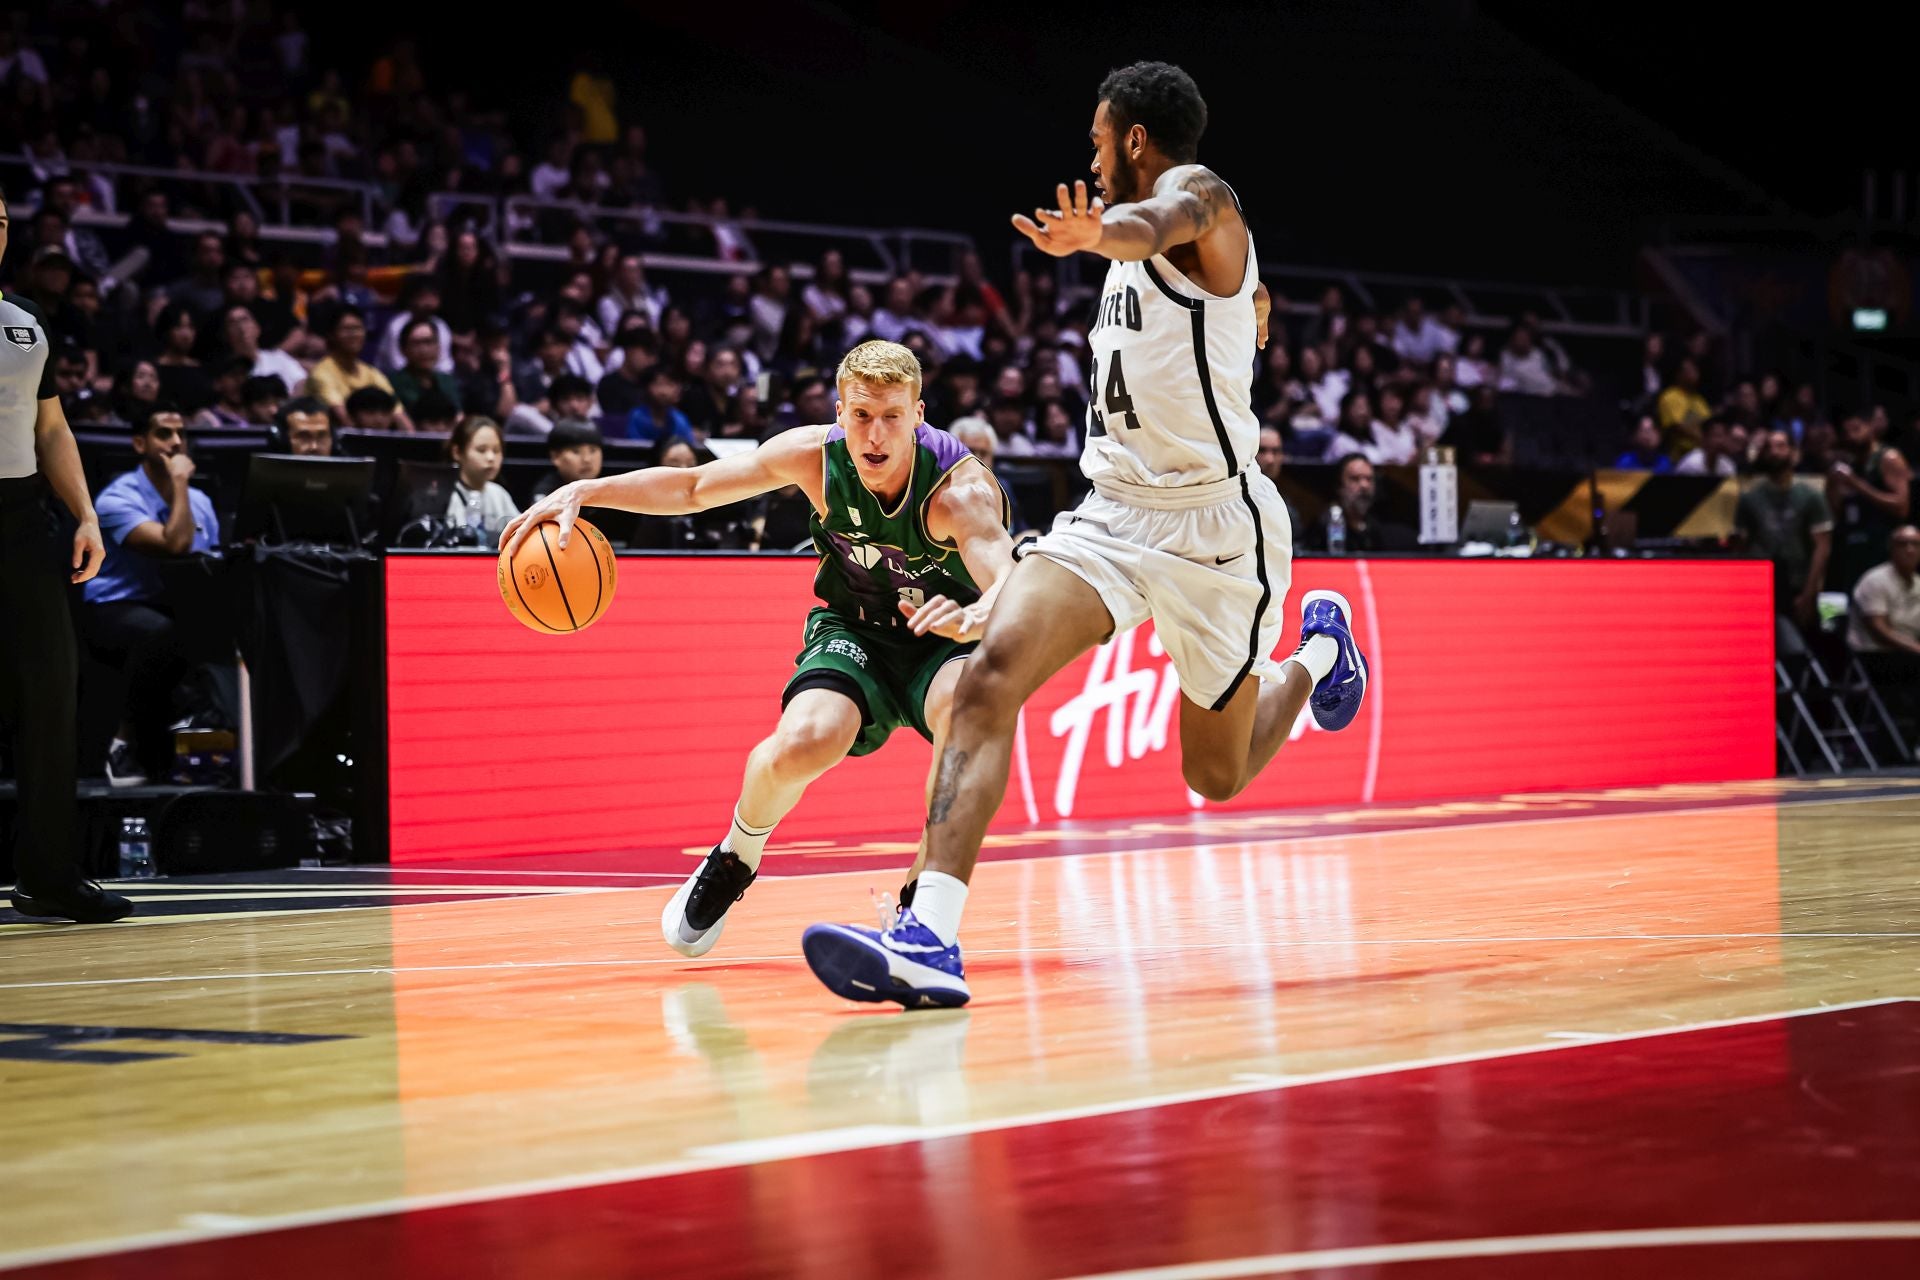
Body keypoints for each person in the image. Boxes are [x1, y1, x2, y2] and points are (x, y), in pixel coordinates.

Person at [800, 63, 1369, 1008]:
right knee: (988, 677)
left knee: (1214, 774)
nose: (1091, 155)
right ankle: (928, 937)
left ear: (1136, 140)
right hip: (1110, 516)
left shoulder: (1199, 199)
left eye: (1099, 139)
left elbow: (1160, 223)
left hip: (1214, 531)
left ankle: (1316, 652)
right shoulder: (1141, 251)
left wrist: (1103, 232)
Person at [503, 340, 1015, 960]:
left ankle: (921, 905)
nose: (875, 435)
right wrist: (588, 490)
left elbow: (1008, 587)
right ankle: (735, 856)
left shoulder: (960, 492)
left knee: (965, 710)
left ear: (918, 415)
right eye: (860, 415)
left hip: (943, 635)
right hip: (854, 627)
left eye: (891, 417)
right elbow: (693, 487)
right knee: (805, 741)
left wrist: (974, 616)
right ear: (840, 411)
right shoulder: (814, 457)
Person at [0, 203, 133, 922]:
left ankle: (48, 876)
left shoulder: (25, 319)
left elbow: (50, 427)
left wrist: (85, 513)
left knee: (53, 694)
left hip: (22, 520)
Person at [79, 404, 225, 788]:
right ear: (140, 443)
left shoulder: (203, 503)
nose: (177, 443)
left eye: (182, 434)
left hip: (175, 601)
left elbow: (207, 563)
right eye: (165, 434)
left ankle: (223, 747)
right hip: (113, 605)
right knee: (163, 635)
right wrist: (179, 484)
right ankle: (123, 744)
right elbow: (174, 545)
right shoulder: (116, 499)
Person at [1735, 429, 1832, 651]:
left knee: (1802, 648)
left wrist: (1809, 594)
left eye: (1781, 446)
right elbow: (1740, 547)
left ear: (1793, 453)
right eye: (1769, 447)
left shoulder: (1810, 496)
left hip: (1799, 583)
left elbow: (1822, 548)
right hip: (1761, 587)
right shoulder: (1750, 497)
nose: (1774, 452)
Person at [1848, 526, 1920, 745]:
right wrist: (1917, 649)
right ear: (1891, 549)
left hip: (1908, 654)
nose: (1909, 550)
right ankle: (1907, 743)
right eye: (1902, 544)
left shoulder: (1918, 583)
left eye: (1915, 544)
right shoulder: (1875, 581)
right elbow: (1880, 631)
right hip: (1874, 655)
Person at [1827, 414, 1912, 595]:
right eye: (1847, 432)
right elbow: (1839, 514)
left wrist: (1856, 484)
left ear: (1870, 427)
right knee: (1844, 607)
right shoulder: (1849, 465)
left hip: (1882, 551)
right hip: (1854, 550)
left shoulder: (1888, 458)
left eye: (1857, 429)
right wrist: (1832, 489)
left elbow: (1901, 507)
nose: (1852, 436)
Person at [308, 306, 405, 428]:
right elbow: (344, 420)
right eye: (346, 329)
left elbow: (398, 413)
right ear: (331, 335)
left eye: (358, 328)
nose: (354, 334)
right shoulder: (321, 374)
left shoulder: (373, 374)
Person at [1308, 452, 1416, 553]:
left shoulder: (1378, 528)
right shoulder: (1323, 527)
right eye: (1355, 479)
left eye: (1369, 479)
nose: (1364, 486)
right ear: (1339, 487)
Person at [446, 416, 519, 544]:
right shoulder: (447, 496)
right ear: (457, 452)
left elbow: (521, 533)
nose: (491, 458)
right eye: (481, 450)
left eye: (496, 451)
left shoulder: (499, 494)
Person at [531, 419, 603, 502]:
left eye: (593, 450)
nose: (587, 459)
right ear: (556, 457)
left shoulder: (610, 487)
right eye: (576, 451)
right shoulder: (545, 495)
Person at [1675, 416, 1739, 477]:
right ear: (1705, 438)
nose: (1720, 441)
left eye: (1723, 436)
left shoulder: (1727, 466)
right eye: (1717, 436)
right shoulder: (1692, 464)